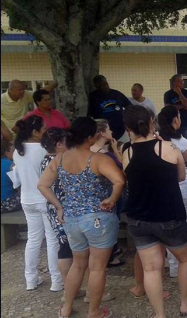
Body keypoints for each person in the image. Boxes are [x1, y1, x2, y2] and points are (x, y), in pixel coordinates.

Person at [121, 105, 187, 318]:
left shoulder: (126, 151)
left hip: (138, 218)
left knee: (151, 268)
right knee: (186, 259)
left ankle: (159, 315)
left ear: (128, 127)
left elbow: (127, 177)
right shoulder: (169, 148)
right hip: (168, 215)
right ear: (153, 123)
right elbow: (181, 176)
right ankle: (186, 303)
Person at [38, 117, 125, 318]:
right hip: (98, 219)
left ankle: (66, 309)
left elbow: (42, 185)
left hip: (72, 219)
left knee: (78, 264)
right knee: (97, 268)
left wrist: (59, 206)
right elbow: (119, 180)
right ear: (90, 136)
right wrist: (112, 199)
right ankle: (94, 312)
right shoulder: (98, 159)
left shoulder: (60, 158)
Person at [13, 115, 63, 292]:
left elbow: (17, 177)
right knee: (52, 240)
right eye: (43, 129)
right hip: (45, 199)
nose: (45, 132)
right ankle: (57, 281)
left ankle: (31, 279)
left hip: (27, 200)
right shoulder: (42, 149)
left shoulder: (17, 150)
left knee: (33, 239)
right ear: (35, 132)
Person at [157, 105, 187, 278]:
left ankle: (172, 264)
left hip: (161, 186)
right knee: (181, 223)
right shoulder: (180, 141)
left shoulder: (156, 140)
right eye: (179, 116)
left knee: (165, 223)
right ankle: (179, 264)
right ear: (175, 120)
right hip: (182, 186)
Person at [40, 128, 74, 284]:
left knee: (64, 246)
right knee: (70, 249)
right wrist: (60, 207)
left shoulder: (45, 160)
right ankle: (74, 288)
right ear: (59, 144)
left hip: (54, 207)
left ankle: (69, 288)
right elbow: (42, 186)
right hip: (64, 208)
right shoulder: (61, 160)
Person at [91, 119, 126, 268]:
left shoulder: (86, 151)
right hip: (110, 196)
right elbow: (123, 171)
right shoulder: (106, 155)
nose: (112, 132)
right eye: (109, 129)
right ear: (102, 133)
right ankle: (110, 255)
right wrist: (117, 151)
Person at [88, 75, 132, 142]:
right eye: (102, 86)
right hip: (103, 134)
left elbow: (130, 107)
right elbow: (90, 114)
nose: (105, 87)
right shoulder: (93, 97)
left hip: (121, 130)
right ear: (97, 86)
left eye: (106, 84)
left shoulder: (117, 94)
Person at [164, 74, 187, 144]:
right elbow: (168, 107)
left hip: (186, 124)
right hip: (173, 124)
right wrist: (183, 106)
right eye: (179, 81)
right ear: (174, 82)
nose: (182, 83)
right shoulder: (168, 94)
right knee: (175, 144)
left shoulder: (186, 92)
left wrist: (179, 93)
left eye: (182, 81)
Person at [1, 140, 21, 213]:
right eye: (13, 151)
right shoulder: (10, 165)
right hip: (5, 203)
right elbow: (18, 185)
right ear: (6, 153)